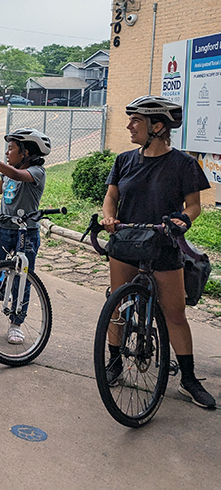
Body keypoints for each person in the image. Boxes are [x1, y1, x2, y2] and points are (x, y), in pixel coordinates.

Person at [101, 95, 215, 409]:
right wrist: (109, 216)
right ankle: (114, 362)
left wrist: (184, 219)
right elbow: (111, 196)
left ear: (157, 126)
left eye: (136, 120)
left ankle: (189, 381)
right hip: (125, 242)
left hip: (164, 244)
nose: (129, 126)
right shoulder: (124, 160)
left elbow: (194, 206)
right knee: (117, 305)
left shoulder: (184, 164)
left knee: (175, 314)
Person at [0, 128, 51, 345]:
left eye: (11, 149)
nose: (7, 153)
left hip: (26, 233)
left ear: (25, 152)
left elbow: (17, 175)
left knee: (21, 278)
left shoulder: (36, 172)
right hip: (2, 229)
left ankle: (16, 324)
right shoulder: (8, 171)